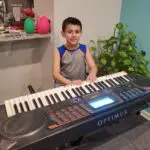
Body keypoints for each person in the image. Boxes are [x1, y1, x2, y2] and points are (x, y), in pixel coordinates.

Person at [53, 17, 97, 87]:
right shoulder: (58, 51)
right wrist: (70, 83)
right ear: (63, 33)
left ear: (81, 33)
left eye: (77, 32)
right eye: (70, 32)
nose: (74, 35)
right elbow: (56, 74)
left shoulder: (84, 48)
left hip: (80, 84)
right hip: (65, 85)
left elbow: (93, 67)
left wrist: (93, 73)